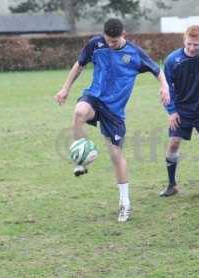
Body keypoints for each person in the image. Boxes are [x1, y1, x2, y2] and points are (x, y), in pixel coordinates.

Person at [54, 18, 170, 222]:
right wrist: (65, 88)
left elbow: (157, 71)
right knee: (79, 111)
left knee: (115, 155)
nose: (110, 44)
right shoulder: (96, 44)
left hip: (114, 111)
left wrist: (164, 87)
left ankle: (125, 203)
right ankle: (81, 159)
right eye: (108, 40)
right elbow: (79, 65)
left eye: (114, 42)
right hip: (94, 97)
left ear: (123, 35)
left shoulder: (134, 53)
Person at [159, 25, 199, 197]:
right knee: (173, 143)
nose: (192, 47)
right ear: (184, 41)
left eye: (196, 44)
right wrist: (172, 111)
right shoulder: (172, 60)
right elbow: (167, 89)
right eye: (189, 44)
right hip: (181, 110)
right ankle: (171, 184)